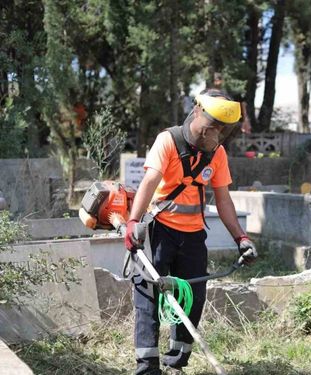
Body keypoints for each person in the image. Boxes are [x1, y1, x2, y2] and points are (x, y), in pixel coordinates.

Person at [125, 89, 258, 375]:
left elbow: (223, 200)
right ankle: (147, 367)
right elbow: (149, 182)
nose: (213, 137)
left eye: (220, 132)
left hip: (194, 236)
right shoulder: (169, 140)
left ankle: (176, 363)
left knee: (193, 299)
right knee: (149, 296)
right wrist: (133, 222)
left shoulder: (217, 154)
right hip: (160, 231)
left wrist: (241, 238)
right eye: (211, 129)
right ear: (197, 111)